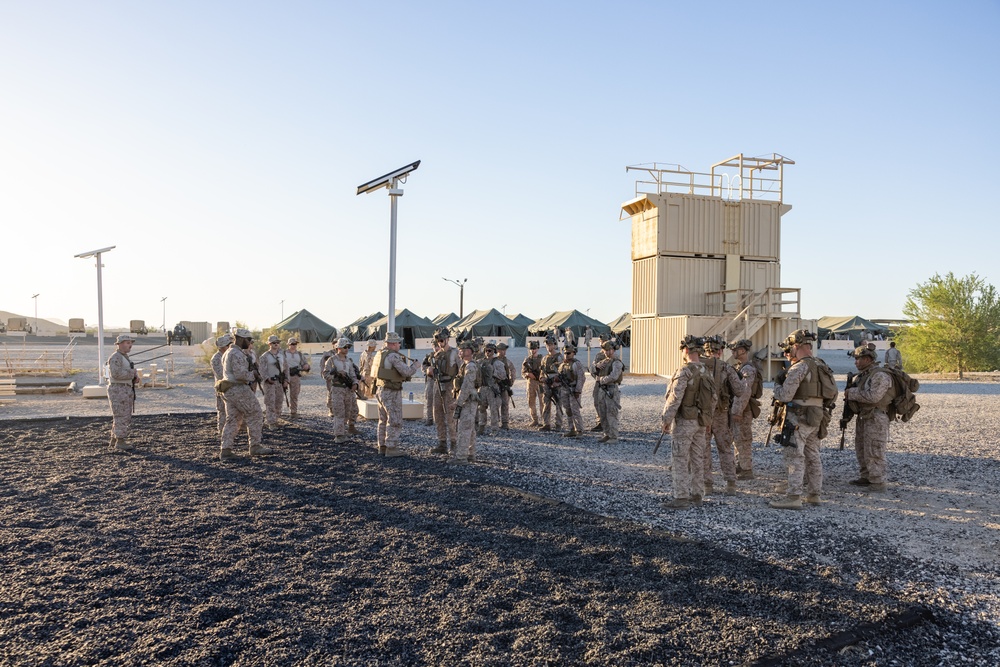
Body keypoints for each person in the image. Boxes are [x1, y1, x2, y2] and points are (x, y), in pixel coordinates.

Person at [770, 329, 827, 509]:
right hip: (816, 416)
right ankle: (814, 494)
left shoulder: (799, 367)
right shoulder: (821, 365)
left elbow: (786, 395)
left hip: (798, 418)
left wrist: (777, 385)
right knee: (813, 456)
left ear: (796, 346)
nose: (788, 353)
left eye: (790, 349)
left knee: (795, 456)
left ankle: (793, 496)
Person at [660, 336, 714, 510]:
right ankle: (697, 494)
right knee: (698, 458)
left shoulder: (684, 371)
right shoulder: (707, 371)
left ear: (686, 350)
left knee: (681, 459)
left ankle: (681, 497)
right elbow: (714, 398)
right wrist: (708, 420)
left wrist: (666, 419)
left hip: (685, 421)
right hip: (701, 421)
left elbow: (675, 398)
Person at [701, 335, 747, 496]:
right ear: (720, 351)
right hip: (720, 413)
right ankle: (731, 483)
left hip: (701, 415)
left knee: (703, 449)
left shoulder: (696, 366)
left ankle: (707, 484)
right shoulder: (726, 368)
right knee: (725, 448)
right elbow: (740, 390)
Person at [844, 345, 893, 492]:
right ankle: (866, 476)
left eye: (858, 359)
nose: (855, 362)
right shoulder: (864, 375)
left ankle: (878, 482)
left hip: (876, 417)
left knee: (874, 448)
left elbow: (874, 396)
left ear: (867, 359)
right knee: (861, 447)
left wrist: (851, 393)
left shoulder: (880, 375)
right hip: (864, 416)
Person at [220, 328, 271, 460]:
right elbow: (240, 375)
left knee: (233, 419)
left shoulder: (228, 352)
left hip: (229, 389)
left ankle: (226, 449)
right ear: (241, 338)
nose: (250, 343)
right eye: (248, 340)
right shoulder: (236, 354)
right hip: (238, 388)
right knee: (255, 413)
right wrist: (253, 375)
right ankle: (255, 446)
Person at [373, 331, 420, 457]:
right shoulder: (393, 356)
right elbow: (407, 372)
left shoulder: (380, 354)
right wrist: (415, 366)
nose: (400, 345)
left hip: (381, 389)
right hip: (391, 391)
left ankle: (382, 445)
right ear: (393, 344)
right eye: (398, 342)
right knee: (395, 419)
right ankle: (391, 447)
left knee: (383, 419)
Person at [729, 339, 760, 480]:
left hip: (744, 409)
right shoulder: (740, 367)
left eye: (736, 350)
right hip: (742, 408)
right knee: (738, 438)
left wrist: (737, 410)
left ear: (743, 351)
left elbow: (745, 391)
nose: (733, 352)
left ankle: (747, 469)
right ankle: (741, 464)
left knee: (743, 438)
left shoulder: (747, 368)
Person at [428, 328, 460, 454]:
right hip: (438, 386)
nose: (440, 342)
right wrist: (429, 371)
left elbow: (462, 370)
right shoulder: (436, 355)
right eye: (438, 340)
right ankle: (442, 443)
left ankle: (454, 443)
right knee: (438, 415)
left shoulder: (455, 353)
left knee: (450, 416)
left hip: (450, 387)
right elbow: (430, 368)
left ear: (447, 339)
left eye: (442, 340)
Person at [323, 337, 360, 444]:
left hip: (348, 390)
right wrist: (336, 376)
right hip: (337, 389)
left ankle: (343, 431)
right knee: (339, 412)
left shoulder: (349, 360)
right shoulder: (332, 360)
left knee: (347, 412)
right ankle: (339, 435)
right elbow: (325, 374)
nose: (347, 349)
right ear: (338, 348)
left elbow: (353, 374)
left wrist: (355, 384)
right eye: (345, 347)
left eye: (348, 347)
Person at [107, 333, 139, 452]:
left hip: (124, 389)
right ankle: (120, 441)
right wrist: (132, 373)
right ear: (119, 344)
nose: (130, 345)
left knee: (121, 415)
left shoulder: (123, 357)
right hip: (119, 390)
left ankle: (114, 439)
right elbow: (116, 374)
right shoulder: (116, 357)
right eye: (127, 343)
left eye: (131, 343)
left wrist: (134, 377)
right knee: (122, 415)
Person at [452, 340, 481, 464]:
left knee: (464, 429)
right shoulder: (465, 365)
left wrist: (458, 402)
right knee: (470, 429)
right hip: (467, 401)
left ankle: (461, 457)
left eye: (462, 350)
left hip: (468, 402)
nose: (460, 352)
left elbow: (467, 387)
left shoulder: (470, 366)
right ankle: (470, 454)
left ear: (469, 351)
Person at [593, 340, 624, 443]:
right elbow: (592, 369)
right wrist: (595, 367)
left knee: (611, 413)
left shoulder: (616, 362)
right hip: (602, 390)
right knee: (602, 413)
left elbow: (614, 376)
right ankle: (607, 434)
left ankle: (613, 436)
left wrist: (601, 380)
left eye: (608, 350)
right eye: (605, 350)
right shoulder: (604, 361)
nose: (606, 352)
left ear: (612, 350)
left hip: (611, 389)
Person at [259, 335, 288, 428]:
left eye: (278, 343)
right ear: (269, 344)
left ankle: (276, 419)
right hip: (270, 382)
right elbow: (262, 370)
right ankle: (271, 422)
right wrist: (267, 378)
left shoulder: (281, 355)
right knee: (270, 402)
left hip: (280, 381)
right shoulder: (265, 356)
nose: (276, 344)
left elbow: (286, 368)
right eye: (274, 343)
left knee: (279, 401)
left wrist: (286, 380)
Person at [557, 344, 585, 437]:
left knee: (575, 410)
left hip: (573, 390)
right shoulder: (562, 365)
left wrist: (578, 391)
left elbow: (581, 378)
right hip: (564, 389)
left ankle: (579, 430)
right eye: (565, 353)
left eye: (568, 353)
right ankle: (571, 429)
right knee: (568, 410)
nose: (566, 355)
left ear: (573, 353)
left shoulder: (576, 364)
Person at [539, 336, 564, 432]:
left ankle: (558, 424)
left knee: (558, 404)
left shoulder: (559, 357)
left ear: (554, 345)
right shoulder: (544, 358)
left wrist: (556, 382)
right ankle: (546, 423)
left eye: (550, 345)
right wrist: (542, 378)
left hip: (556, 384)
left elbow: (562, 371)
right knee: (546, 404)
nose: (549, 347)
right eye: (547, 345)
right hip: (547, 384)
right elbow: (542, 371)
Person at [211, 333, 235, 437]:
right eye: (227, 345)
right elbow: (221, 374)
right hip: (223, 388)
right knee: (222, 410)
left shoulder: (228, 355)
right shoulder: (216, 358)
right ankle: (222, 430)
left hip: (231, 387)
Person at [479, 343, 504, 435]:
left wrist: (493, 372)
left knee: (494, 409)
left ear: (494, 352)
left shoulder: (498, 363)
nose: (487, 353)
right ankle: (481, 427)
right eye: (486, 350)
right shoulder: (480, 362)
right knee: (481, 408)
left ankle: (494, 429)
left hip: (492, 388)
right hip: (482, 388)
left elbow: (503, 376)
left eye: (489, 351)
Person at [284, 337, 310, 417]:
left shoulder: (299, 354)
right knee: (279, 394)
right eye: (292, 344)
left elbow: (305, 363)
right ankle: (276, 412)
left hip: (295, 375)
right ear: (288, 344)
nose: (294, 346)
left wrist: (306, 366)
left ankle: (293, 412)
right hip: (285, 375)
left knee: (294, 394)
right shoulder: (283, 353)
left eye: (295, 344)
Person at [521, 340, 543, 427]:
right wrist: (527, 374)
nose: (533, 350)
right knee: (531, 401)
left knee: (543, 402)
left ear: (537, 349)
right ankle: (535, 419)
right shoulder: (527, 360)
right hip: (531, 382)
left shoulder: (542, 359)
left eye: (534, 348)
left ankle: (544, 419)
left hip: (540, 382)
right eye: (531, 349)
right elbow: (523, 372)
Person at [496, 342, 516, 430]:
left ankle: (505, 422)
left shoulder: (507, 361)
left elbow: (513, 370)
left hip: (505, 385)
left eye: (505, 350)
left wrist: (511, 381)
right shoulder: (494, 361)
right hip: (496, 385)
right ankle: (495, 421)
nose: (504, 352)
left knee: (505, 404)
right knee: (495, 404)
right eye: (502, 350)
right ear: (498, 350)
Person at [421, 342, 437, 426]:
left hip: (441, 381)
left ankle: (440, 418)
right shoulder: (429, 357)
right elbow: (423, 367)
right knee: (429, 400)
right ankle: (429, 418)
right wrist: (428, 369)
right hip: (431, 380)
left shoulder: (444, 356)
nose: (436, 348)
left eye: (438, 346)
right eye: (435, 346)